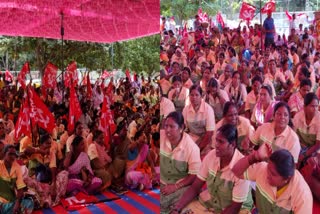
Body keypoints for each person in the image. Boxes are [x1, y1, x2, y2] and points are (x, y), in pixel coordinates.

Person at [171, 124, 253, 214]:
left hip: (238, 209)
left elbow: (234, 208)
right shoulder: (211, 156)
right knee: (183, 211)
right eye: (216, 140)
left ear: (232, 144)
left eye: (221, 142)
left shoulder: (242, 167)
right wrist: (177, 209)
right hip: (213, 201)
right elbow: (195, 187)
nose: (216, 145)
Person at [232, 145, 313, 213]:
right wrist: (254, 156)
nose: (267, 175)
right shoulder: (263, 169)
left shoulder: (302, 195)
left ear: (286, 179)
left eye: (273, 174)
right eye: (268, 169)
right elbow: (236, 171)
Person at [160, 111, 201, 213]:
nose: (167, 130)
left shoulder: (192, 148)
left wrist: (175, 186)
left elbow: (194, 175)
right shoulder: (161, 137)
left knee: (190, 193)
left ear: (181, 128)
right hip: (161, 182)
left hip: (179, 186)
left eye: (171, 126)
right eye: (166, 126)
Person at [182, 84, 215, 156]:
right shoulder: (186, 110)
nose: (194, 98)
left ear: (201, 96)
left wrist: (198, 149)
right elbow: (184, 130)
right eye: (192, 95)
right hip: (192, 139)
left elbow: (209, 133)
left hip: (206, 141)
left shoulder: (208, 109)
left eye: (197, 95)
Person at [0, 145, 34, 214]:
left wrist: (17, 203)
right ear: (4, 154)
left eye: (14, 154)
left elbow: (20, 187)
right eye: (10, 154)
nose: (13, 157)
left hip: (11, 200)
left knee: (29, 202)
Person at [293, 93, 320, 167]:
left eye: (316, 106)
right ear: (304, 107)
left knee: (311, 164)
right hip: (301, 146)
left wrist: (304, 155)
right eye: (312, 106)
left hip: (315, 149)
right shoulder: (298, 117)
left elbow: (318, 144)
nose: (315, 109)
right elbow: (294, 137)